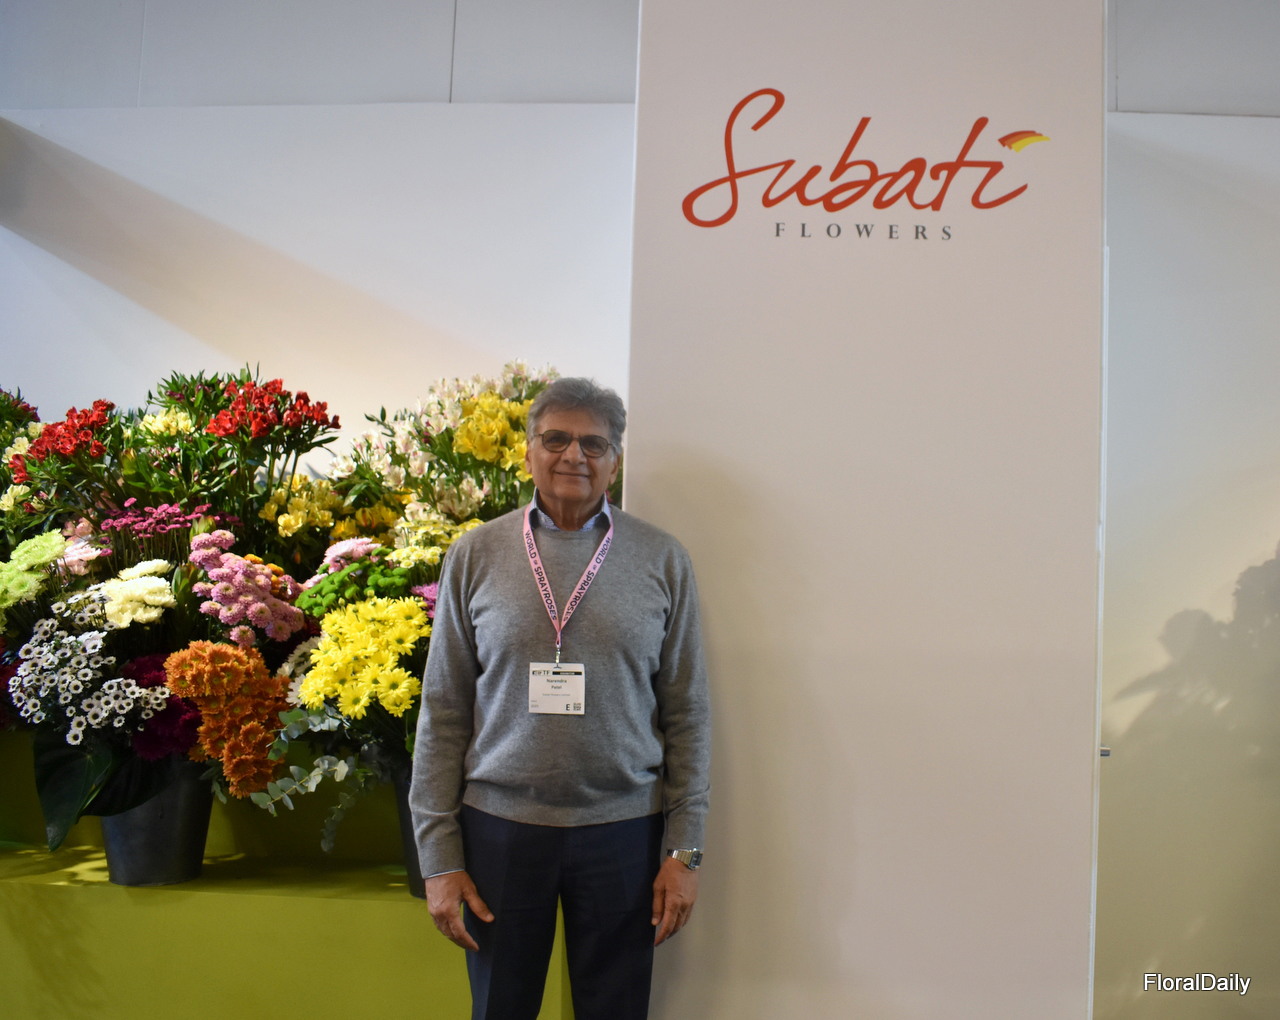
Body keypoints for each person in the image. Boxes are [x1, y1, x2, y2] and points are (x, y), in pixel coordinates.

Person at [410, 377, 711, 1020]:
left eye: (594, 443)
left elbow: (687, 714)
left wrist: (684, 852)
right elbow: (443, 711)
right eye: (556, 439)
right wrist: (437, 858)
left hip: (624, 832)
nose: (574, 454)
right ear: (528, 452)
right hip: (499, 831)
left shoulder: (662, 559)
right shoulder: (475, 554)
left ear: (615, 462)